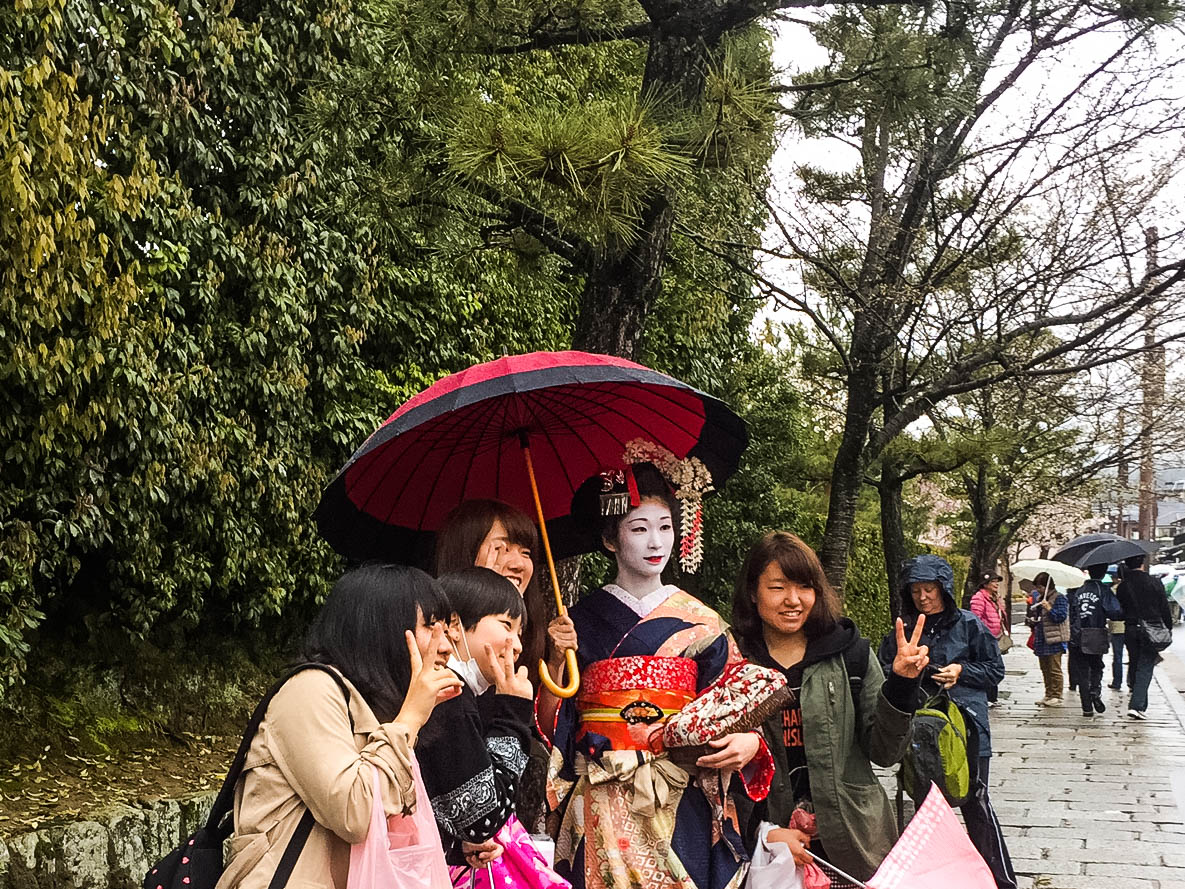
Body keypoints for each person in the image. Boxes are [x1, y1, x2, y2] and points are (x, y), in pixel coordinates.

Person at [545, 459, 773, 889]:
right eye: (639, 528)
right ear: (610, 540)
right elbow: (552, 722)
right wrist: (557, 661)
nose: (656, 542)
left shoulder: (703, 623)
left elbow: (737, 704)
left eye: (665, 526)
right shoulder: (578, 621)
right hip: (602, 791)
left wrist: (748, 742)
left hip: (681, 792)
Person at [217, 564, 464, 889]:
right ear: (381, 627)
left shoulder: (375, 707)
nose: (445, 644)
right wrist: (409, 720)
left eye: (445, 629)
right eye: (430, 626)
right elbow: (355, 814)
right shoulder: (311, 690)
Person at [731, 532, 927, 886]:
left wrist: (902, 684)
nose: (793, 600)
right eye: (777, 588)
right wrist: (764, 833)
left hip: (853, 846)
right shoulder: (731, 662)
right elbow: (719, 778)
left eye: (804, 587)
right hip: (769, 852)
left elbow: (885, 752)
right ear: (752, 592)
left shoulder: (848, 654)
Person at [878, 554, 1016, 889]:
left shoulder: (969, 625)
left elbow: (995, 670)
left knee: (975, 801)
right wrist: (905, 673)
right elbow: (884, 675)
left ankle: (1000, 880)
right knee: (924, 805)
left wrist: (962, 671)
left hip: (967, 728)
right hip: (920, 730)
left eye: (929, 589)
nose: (922, 597)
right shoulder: (904, 630)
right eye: (915, 590)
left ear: (945, 589)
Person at [417, 567, 535, 867]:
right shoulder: (450, 692)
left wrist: (458, 846)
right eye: (506, 625)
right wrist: (513, 713)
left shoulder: (449, 689)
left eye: (519, 633)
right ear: (454, 626)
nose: (517, 646)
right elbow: (483, 819)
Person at [434, 498, 578, 686]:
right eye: (501, 549)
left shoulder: (529, 632)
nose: (518, 564)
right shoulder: (431, 631)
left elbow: (538, 716)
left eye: (525, 553)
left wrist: (556, 664)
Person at [1116, 554, 1173, 720]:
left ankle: (1137, 697)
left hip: (1131, 628)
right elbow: (1164, 607)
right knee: (1145, 665)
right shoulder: (1154, 582)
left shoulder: (1123, 586)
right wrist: (1167, 628)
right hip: (1151, 628)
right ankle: (1137, 705)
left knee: (1135, 661)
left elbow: (1120, 610)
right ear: (1142, 563)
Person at [1067, 564, 1117, 717]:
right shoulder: (1103, 590)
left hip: (1078, 634)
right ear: (1103, 574)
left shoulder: (1078, 590)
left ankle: (1086, 707)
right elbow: (1115, 611)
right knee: (1096, 666)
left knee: (1082, 671)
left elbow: (1072, 613)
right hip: (1096, 633)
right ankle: (1095, 690)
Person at [1026, 572, 1068, 706]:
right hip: (1041, 637)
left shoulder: (1059, 598)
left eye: (1040, 587)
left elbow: (1060, 617)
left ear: (1047, 586)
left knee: (1054, 668)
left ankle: (1057, 695)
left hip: (1054, 638)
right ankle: (1048, 693)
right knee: (1045, 668)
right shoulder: (1039, 599)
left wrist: (1049, 608)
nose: (1038, 590)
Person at [970, 573, 1008, 706]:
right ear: (985, 584)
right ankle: (987, 697)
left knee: (994, 666)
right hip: (985, 639)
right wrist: (983, 635)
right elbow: (975, 618)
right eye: (993, 581)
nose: (997, 584)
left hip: (995, 638)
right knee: (988, 666)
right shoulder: (979, 598)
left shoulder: (994, 598)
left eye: (997, 581)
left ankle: (993, 697)